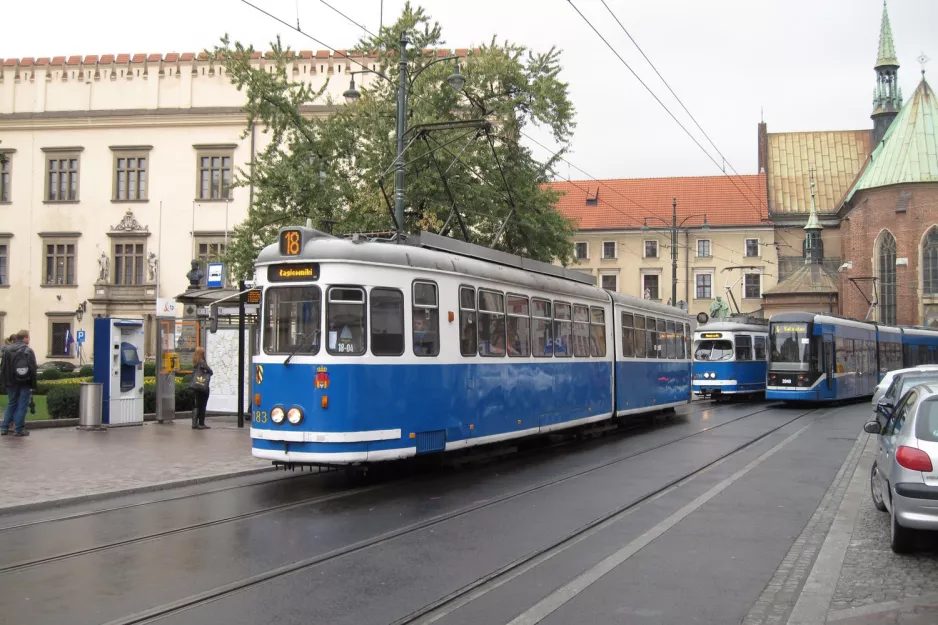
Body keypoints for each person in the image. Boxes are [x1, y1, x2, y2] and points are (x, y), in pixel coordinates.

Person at [0, 330, 38, 436]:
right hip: (25, 381)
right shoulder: (28, 350)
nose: (29, 340)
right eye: (28, 337)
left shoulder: (7, 350)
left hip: (10, 382)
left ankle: (4, 428)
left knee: (11, 403)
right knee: (22, 405)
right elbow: (32, 369)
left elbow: (3, 367)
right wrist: (34, 385)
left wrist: (5, 382)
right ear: (25, 338)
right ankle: (19, 429)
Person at [189, 346, 214, 430]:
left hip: (195, 386)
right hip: (202, 387)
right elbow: (210, 371)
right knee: (202, 405)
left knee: (197, 405)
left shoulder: (195, 361)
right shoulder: (202, 362)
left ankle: (194, 423)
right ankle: (201, 423)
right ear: (202, 354)